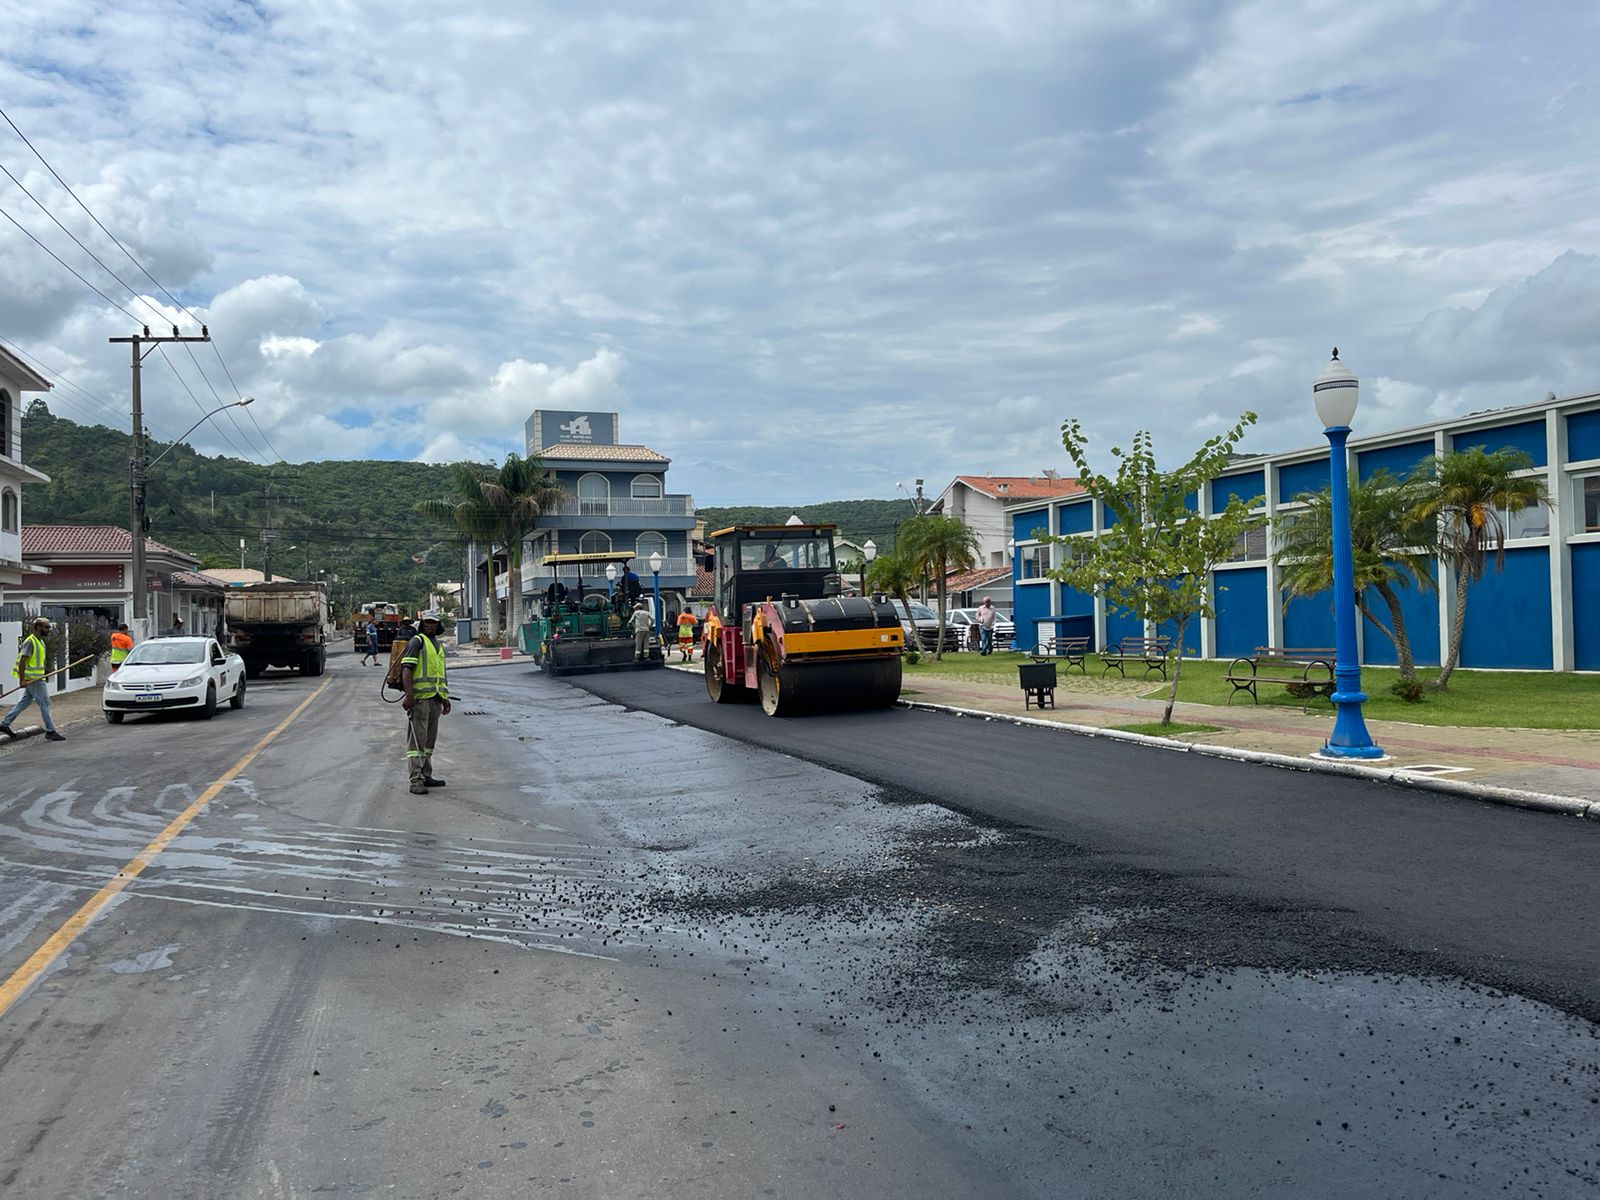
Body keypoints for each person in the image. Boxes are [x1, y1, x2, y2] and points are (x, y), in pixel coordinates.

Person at [399, 610, 451, 795]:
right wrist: (409, 695)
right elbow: (406, 669)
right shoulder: (417, 641)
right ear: (422, 624)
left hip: (435, 699)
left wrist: (445, 698)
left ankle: (426, 774)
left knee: (429, 742)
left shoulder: (438, 645)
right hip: (420, 700)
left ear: (438, 625)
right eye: (427, 622)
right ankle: (416, 779)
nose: (430, 625)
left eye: (433, 623)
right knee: (416, 743)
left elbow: (439, 675)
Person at [1, 617, 65, 742]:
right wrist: (22, 680)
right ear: (38, 627)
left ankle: (5, 724)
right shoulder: (30, 641)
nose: (49, 630)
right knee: (45, 703)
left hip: (36, 677)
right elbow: (22, 660)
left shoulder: (40, 641)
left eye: (49, 627)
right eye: (46, 627)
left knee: (24, 702)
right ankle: (50, 731)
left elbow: (37, 661)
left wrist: (44, 671)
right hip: (33, 679)